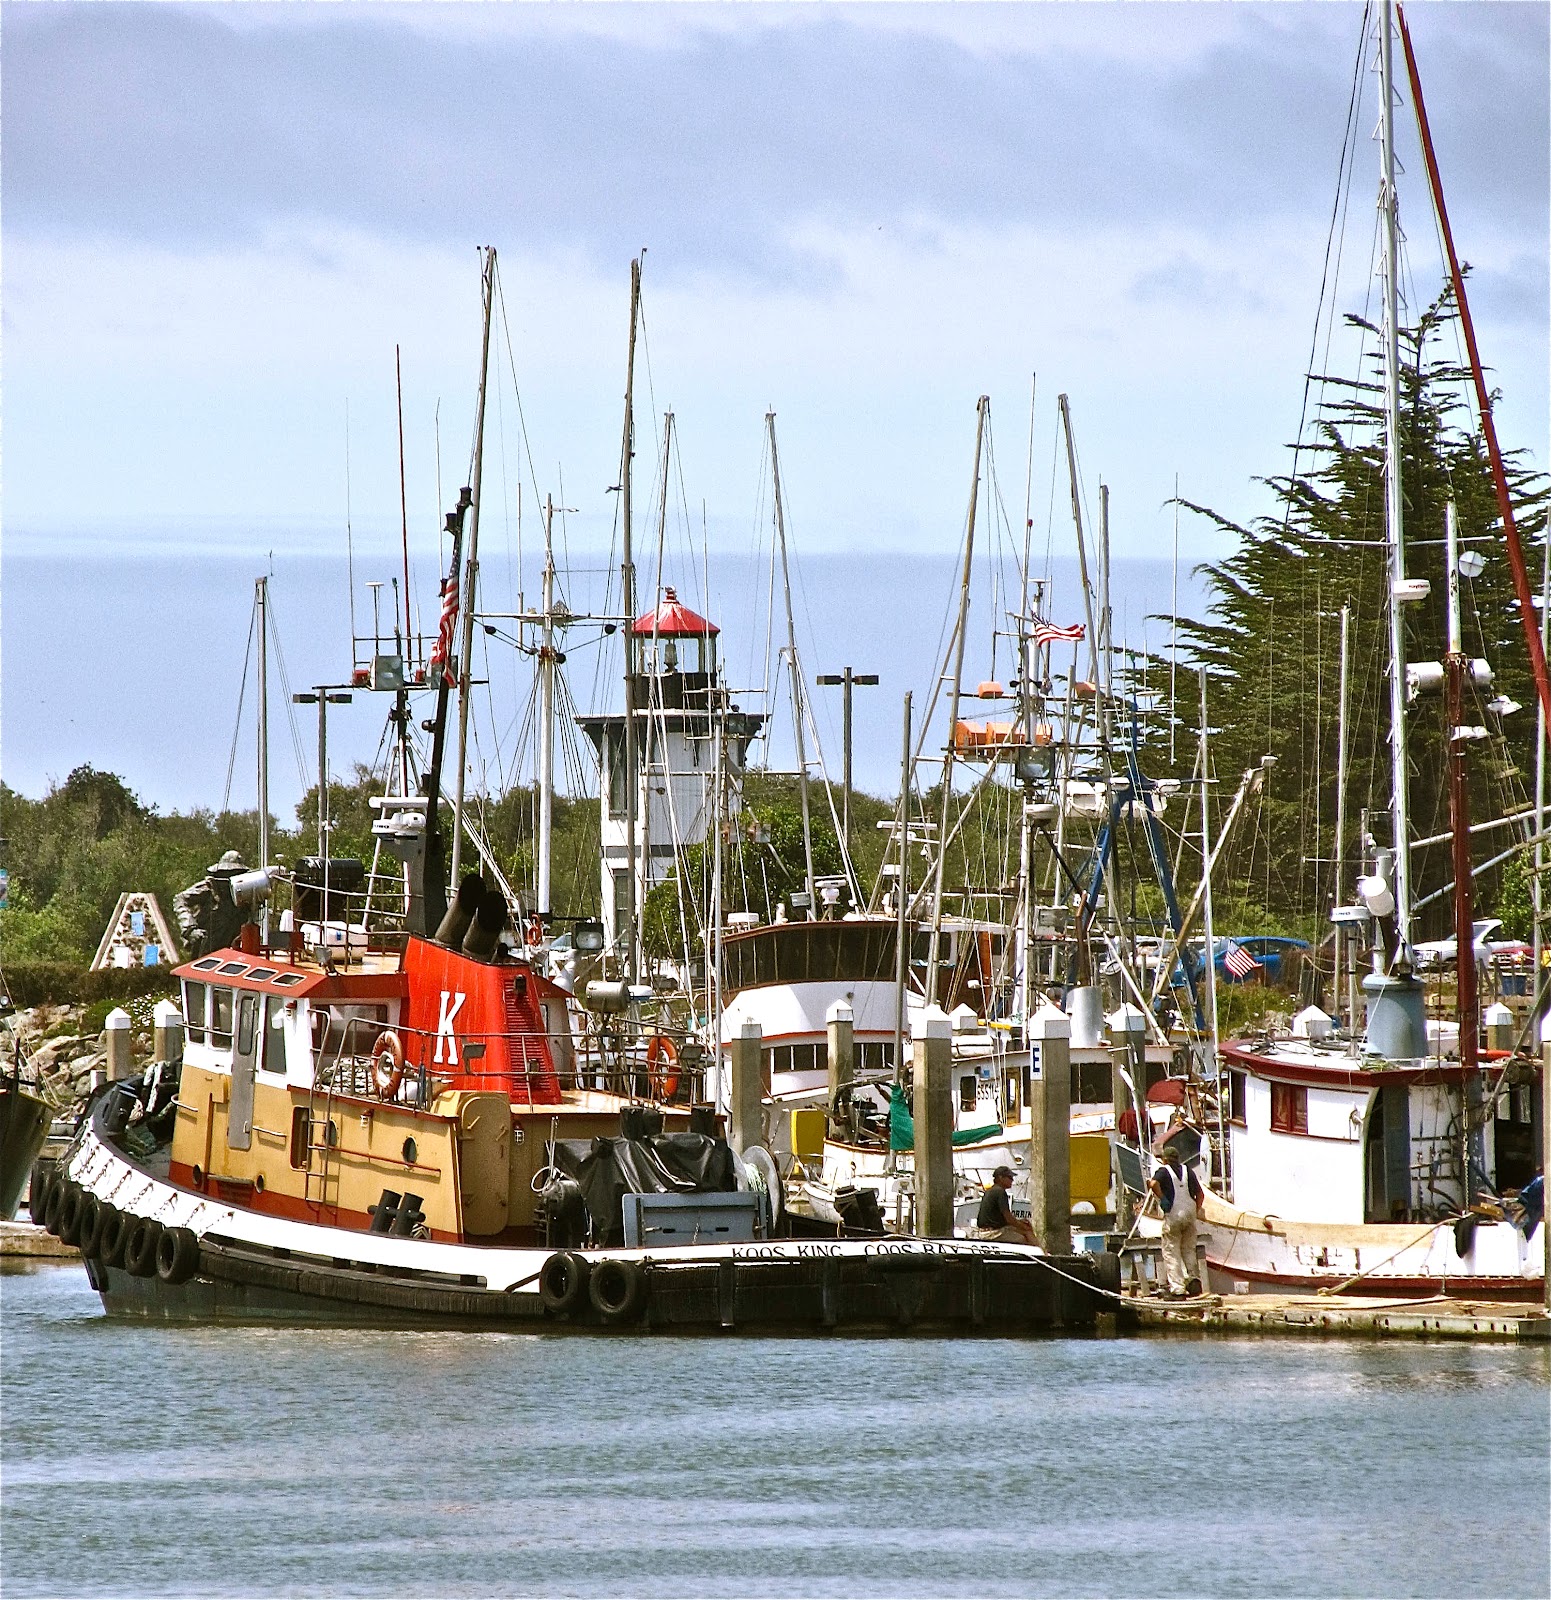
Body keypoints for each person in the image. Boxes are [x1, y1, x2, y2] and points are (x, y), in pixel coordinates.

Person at [1149, 1145, 1204, 1298]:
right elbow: (1200, 1194)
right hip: (1189, 1214)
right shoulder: (1188, 1171)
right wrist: (1195, 1210)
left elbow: (1153, 1184)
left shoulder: (1164, 1171)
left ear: (1165, 1159)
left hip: (1173, 1214)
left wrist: (1162, 1198)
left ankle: (1178, 1289)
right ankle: (1193, 1281)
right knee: (1189, 1249)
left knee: (1171, 1252)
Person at [970, 1166, 1035, 1245]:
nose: (1012, 1180)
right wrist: (1023, 1226)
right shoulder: (1000, 1192)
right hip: (993, 1233)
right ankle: (1039, 1251)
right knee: (1025, 1235)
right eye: (1010, 1177)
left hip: (984, 1231)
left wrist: (1019, 1222)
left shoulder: (989, 1191)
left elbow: (1000, 1220)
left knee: (1023, 1229)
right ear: (1000, 1177)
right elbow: (1009, 1219)